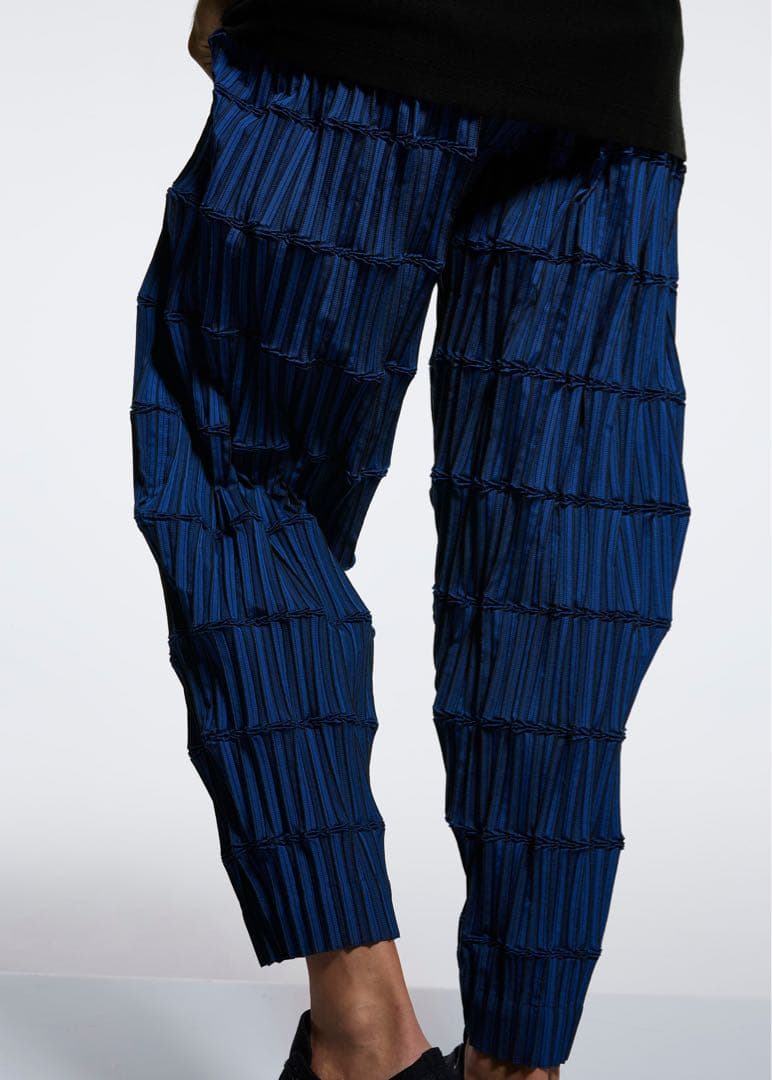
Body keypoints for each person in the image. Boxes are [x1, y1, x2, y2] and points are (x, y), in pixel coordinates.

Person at [131, 2, 690, 1077]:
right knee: (559, 555)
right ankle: (518, 1063)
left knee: (236, 471)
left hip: (357, 33)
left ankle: (362, 1039)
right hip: (608, 72)